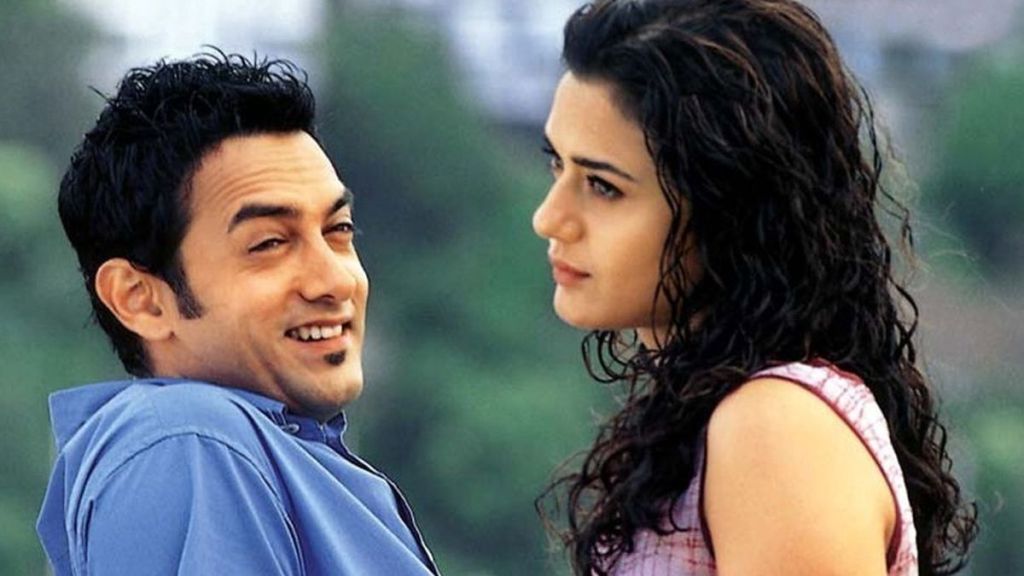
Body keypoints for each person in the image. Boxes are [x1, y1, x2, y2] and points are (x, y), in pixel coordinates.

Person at [532, 1, 977, 575]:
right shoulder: (716, 414)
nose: (550, 218)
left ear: (726, 206)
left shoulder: (777, 427)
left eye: (603, 186)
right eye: (557, 166)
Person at [36, 52, 438, 575]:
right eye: (269, 243)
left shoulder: (264, 455)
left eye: (338, 231)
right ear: (139, 298)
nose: (336, 280)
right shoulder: (189, 442)